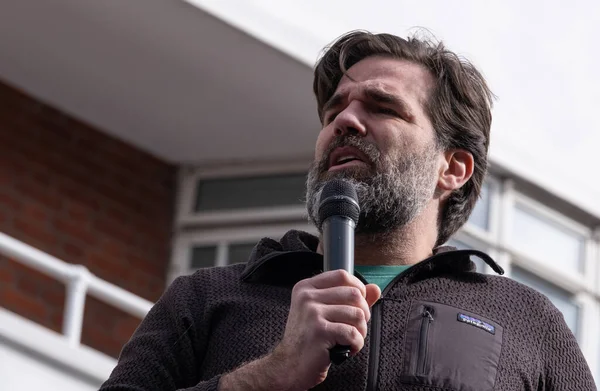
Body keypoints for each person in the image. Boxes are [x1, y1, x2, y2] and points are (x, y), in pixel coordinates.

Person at [99, 30, 596, 391]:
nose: (346, 122)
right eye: (334, 111)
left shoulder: (528, 322)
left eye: (382, 107)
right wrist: (270, 374)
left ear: (454, 168)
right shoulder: (206, 298)